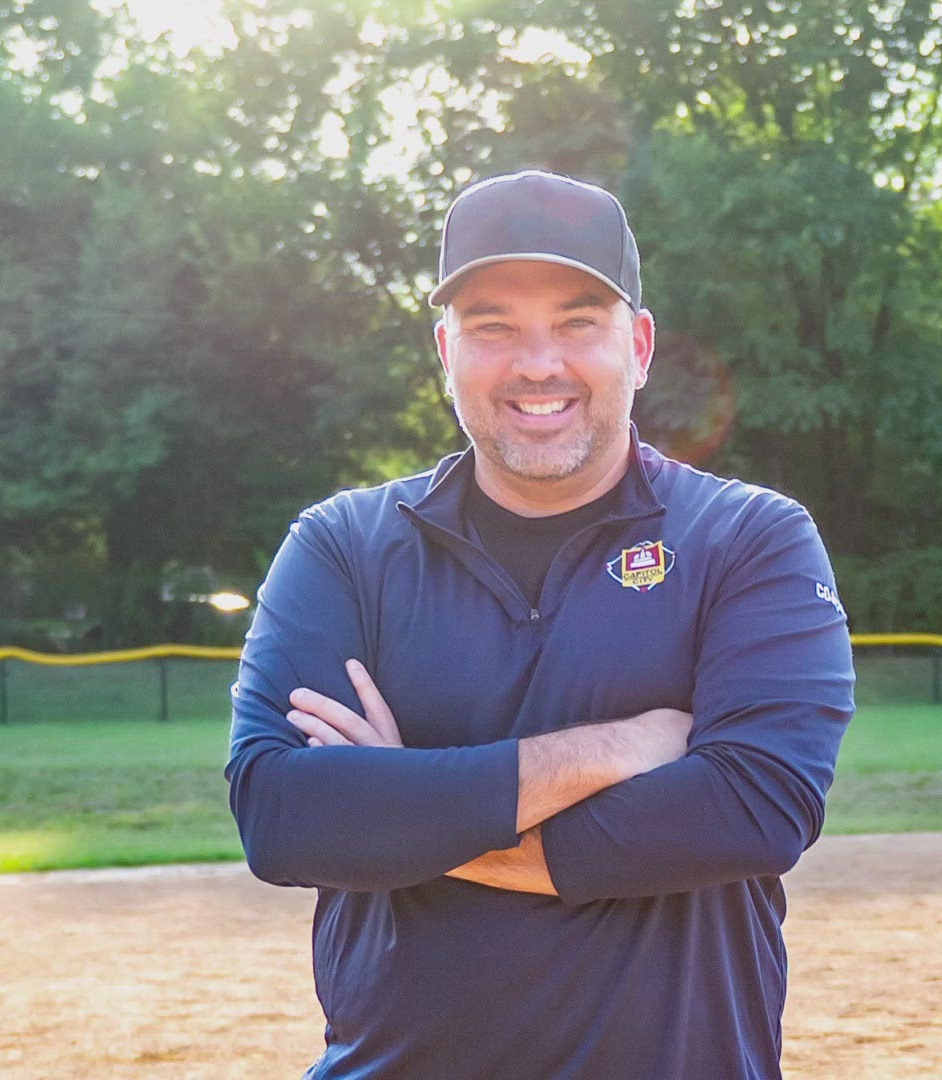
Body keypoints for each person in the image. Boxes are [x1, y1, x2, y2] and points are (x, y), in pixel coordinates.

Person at [225, 170, 856, 1079]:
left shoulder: (748, 538)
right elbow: (284, 820)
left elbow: (754, 811)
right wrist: (615, 751)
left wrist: (404, 805)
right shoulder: (344, 548)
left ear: (638, 346)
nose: (537, 363)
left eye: (576, 322)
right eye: (493, 327)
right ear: (445, 349)